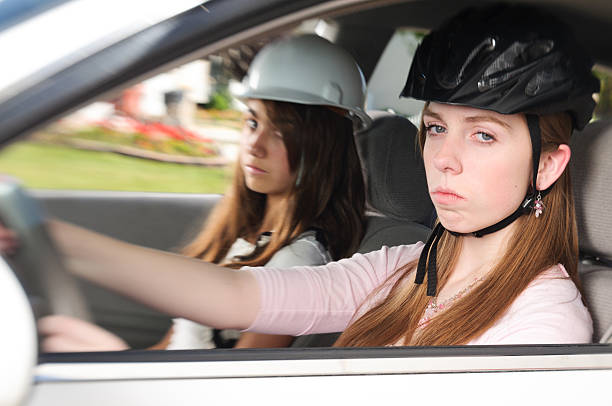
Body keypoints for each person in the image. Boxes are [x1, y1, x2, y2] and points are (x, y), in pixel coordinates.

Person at [34, 3, 599, 348]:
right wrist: (53, 239)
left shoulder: (544, 326)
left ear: (547, 165)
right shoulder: (409, 266)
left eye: (483, 135)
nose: (443, 158)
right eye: (434, 129)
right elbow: (235, 295)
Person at [29, 34, 369, 351]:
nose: (255, 145)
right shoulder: (244, 234)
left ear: (324, 146)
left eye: (281, 132)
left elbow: (233, 385)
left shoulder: (298, 263)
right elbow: (169, 349)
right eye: (252, 122)